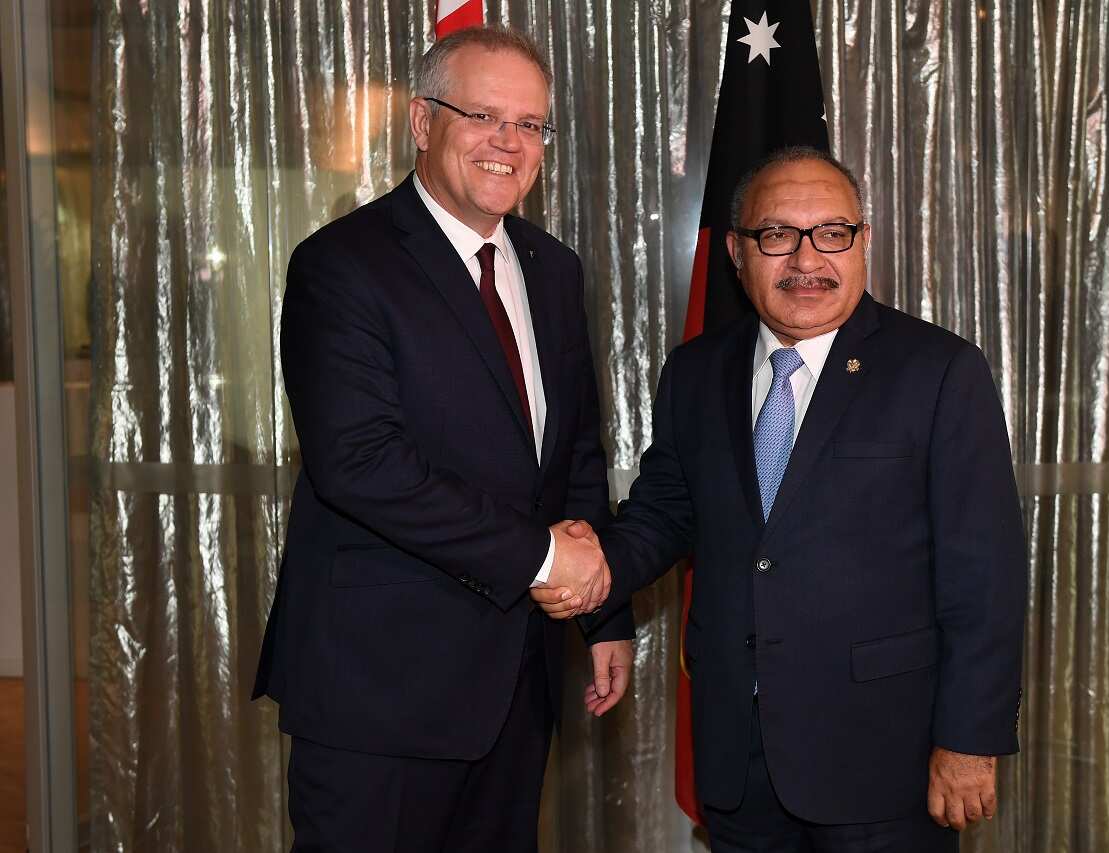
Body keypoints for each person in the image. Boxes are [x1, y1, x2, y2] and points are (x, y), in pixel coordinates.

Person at [536, 147, 1027, 852]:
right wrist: (588, 567)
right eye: (777, 235)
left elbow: (987, 576)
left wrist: (970, 739)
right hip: (740, 754)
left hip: (882, 758)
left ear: (862, 243)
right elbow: (665, 512)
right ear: (737, 251)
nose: (806, 259)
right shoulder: (697, 371)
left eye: (832, 232)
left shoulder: (939, 372)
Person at [253, 26, 634, 852]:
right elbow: (360, 464)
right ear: (423, 123)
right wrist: (543, 557)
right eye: (483, 115)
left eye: (530, 124)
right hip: (378, 697)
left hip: (515, 687)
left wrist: (603, 614)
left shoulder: (554, 269)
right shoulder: (341, 265)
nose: (509, 142)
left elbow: (572, 453)